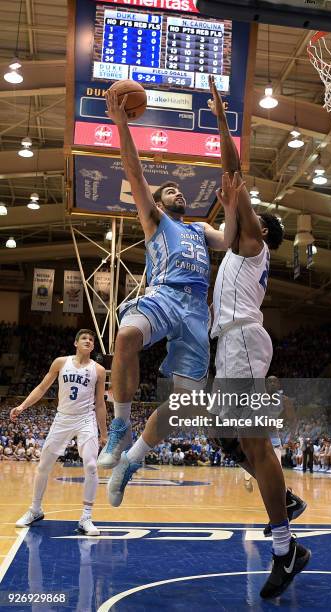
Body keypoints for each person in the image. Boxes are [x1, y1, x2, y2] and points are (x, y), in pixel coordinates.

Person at [98, 86, 237, 504]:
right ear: (157, 202)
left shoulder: (198, 230)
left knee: (189, 405)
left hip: (197, 312)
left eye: (179, 188)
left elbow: (230, 239)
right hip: (163, 296)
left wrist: (231, 205)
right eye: (170, 188)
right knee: (125, 337)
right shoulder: (156, 220)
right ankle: (120, 428)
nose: (177, 190)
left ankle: (132, 460)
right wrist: (122, 125)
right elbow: (134, 171)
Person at [208, 76, 311, 599]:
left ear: (261, 231)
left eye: (251, 213)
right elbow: (230, 201)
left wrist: (224, 121)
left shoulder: (253, 242)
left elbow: (233, 171)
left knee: (253, 442)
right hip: (230, 345)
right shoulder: (237, 245)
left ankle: (285, 546)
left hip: (244, 342)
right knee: (221, 435)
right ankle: (285, 502)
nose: (247, 210)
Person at [10, 329, 107, 536]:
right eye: (84, 338)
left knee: (90, 465)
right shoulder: (61, 362)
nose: (88, 341)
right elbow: (42, 388)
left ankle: (86, 517)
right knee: (44, 465)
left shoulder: (98, 370)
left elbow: (100, 403)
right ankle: (35, 510)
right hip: (62, 418)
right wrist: (22, 406)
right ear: (75, 343)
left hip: (85, 419)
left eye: (91, 339)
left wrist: (104, 433)